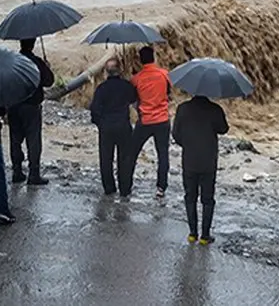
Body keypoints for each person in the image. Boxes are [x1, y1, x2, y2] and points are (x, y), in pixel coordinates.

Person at [171, 91, 229, 245]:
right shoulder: (215, 109)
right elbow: (224, 129)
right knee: (208, 199)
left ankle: (192, 233)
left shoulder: (182, 108)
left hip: (189, 160)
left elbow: (175, 134)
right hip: (208, 161)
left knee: (190, 196)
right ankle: (205, 235)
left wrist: (187, 144)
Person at [8, 38, 54, 185]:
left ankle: (17, 171)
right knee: (33, 141)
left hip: (13, 106)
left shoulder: (12, 61)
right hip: (32, 106)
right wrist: (47, 66)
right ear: (33, 44)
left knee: (15, 140)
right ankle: (34, 173)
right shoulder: (37, 62)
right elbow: (49, 81)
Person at [89, 58, 137, 196]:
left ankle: (109, 188)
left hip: (106, 126)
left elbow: (95, 109)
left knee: (106, 158)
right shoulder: (126, 85)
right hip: (123, 125)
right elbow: (134, 99)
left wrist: (99, 123)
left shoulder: (101, 88)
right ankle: (125, 188)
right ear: (120, 70)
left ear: (106, 72)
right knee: (125, 158)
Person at [129, 46, 172, 198]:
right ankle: (161, 188)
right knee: (163, 155)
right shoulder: (165, 74)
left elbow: (132, 98)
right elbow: (168, 93)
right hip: (163, 120)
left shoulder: (136, 79)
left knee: (132, 153)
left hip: (145, 120)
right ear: (153, 57)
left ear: (140, 60)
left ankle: (127, 185)